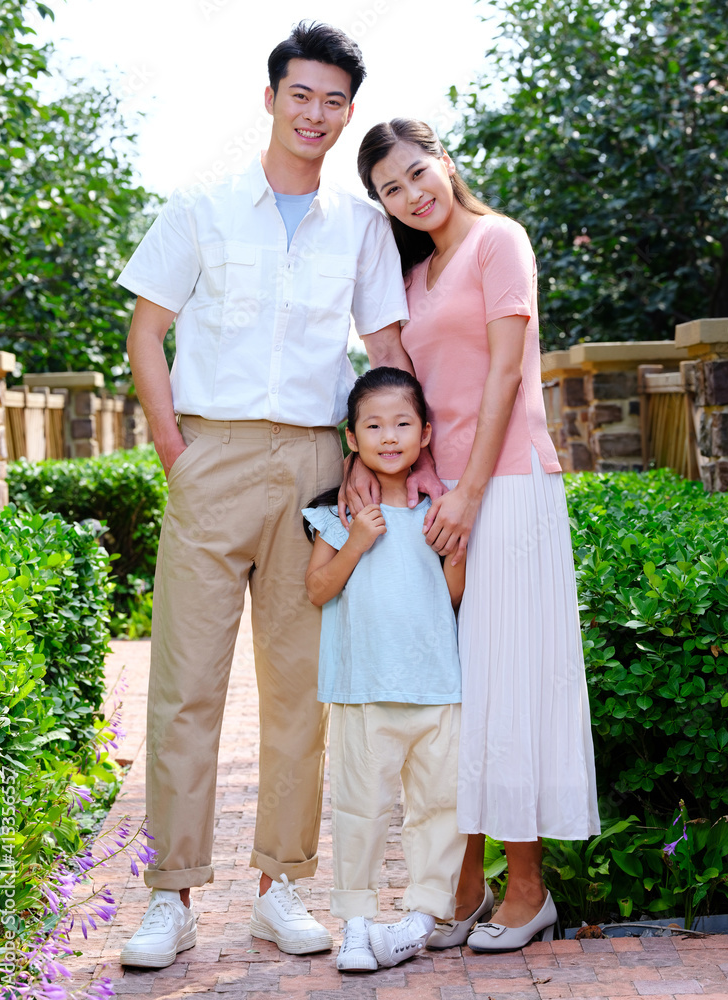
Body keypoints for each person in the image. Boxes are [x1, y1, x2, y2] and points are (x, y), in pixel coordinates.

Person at [115, 25, 416, 968]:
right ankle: (172, 896)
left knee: (300, 693)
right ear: (272, 95)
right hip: (211, 456)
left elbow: (387, 350)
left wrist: (384, 458)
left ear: (348, 111)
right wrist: (176, 451)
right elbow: (146, 332)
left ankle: (280, 887)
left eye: (334, 101)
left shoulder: (363, 226)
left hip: (314, 470)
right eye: (302, 95)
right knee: (186, 687)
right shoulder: (202, 208)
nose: (316, 113)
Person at [350, 119, 601, 953]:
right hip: (443, 503)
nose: (412, 193)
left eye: (419, 172)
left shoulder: (501, 242)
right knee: (459, 688)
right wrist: (404, 482)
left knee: (512, 679)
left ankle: (526, 890)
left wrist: (471, 493)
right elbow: (408, 394)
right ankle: (464, 882)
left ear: (446, 161)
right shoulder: (414, 277)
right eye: (391, 187)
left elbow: (504, 372)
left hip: (510, 488)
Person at [302, 367, 467, 972]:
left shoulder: (438, 512)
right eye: (373, 425)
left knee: (439, 808)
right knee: (359, 809)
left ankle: (420, 919)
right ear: (352, 438)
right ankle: (356, 923)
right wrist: (356, 543)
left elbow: (451, 596)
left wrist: (456, 552)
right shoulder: (338, 513)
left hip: (436, 687)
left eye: (402, 423)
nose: (388, 436)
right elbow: (317, 590)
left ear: (425, 433)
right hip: (363, 689)